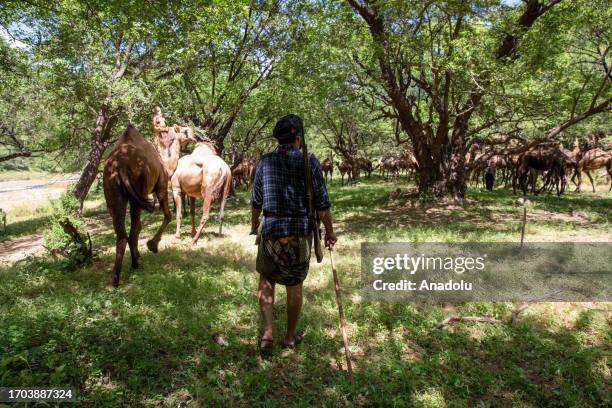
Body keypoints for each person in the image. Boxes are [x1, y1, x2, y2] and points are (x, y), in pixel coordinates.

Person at [251, 114, 337, 353]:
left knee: (267, 279)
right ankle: (289, 337)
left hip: (271, 231)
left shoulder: (265, 162)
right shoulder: (310, 162)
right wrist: (330, 232)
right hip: (299, 234)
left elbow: (256, 202)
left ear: (279, 139)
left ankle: (267, 332)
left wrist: (253, 225)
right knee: (295, 283)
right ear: (298, 138)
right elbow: (323, 205)